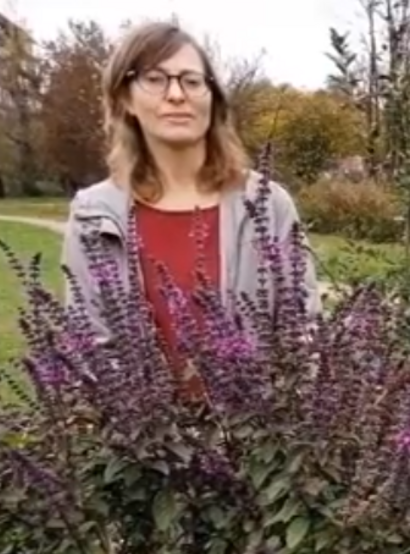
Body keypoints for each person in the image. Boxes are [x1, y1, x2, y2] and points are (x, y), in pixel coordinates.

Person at [61, 21, 320, 362]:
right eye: (155, 79)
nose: (176, 94)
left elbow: (302, 332)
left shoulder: (268, 205)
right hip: (138, 416)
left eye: (192, 81)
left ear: (212, 99)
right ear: (125, 99)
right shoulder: (93, 215)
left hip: (261, 415)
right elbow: (88, 347)